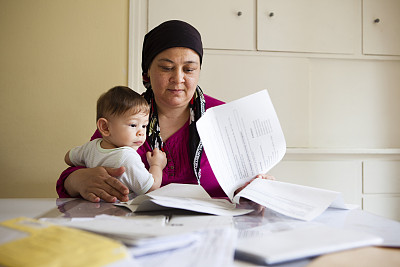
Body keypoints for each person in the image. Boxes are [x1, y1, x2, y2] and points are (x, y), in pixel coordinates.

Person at [56, 20, 272, 203]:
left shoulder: (225, 117)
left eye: (189, 69)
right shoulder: (124, 114)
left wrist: (254, 191)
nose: (178, 79)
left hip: (209, 230)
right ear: (146, 72)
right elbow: (76, 169)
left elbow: (249, 183)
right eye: (166, 68)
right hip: (137, 231)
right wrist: (78, 180)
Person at [64, 86, 167, 198]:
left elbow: (68, 158)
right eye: (133, 125)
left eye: (144, 126)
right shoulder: (128, 156)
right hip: (122, 211)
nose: (141, 133)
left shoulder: (90, 147)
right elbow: (151, 188)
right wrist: (157, 164)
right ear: (105, 127)